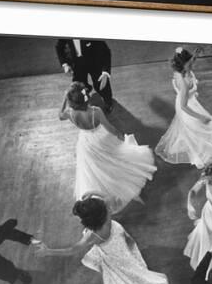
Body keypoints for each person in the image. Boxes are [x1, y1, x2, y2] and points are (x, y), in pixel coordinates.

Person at [35, 193, 170, 284]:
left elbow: (73, 250)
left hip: (112, 252)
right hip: (119, 238)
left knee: (128, 275)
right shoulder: (106, 211)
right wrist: (94, 192)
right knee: (132, 264)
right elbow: (108, 197)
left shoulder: (92, 236)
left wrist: (48, 251)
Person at [59, 82, 156, 214]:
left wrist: (65, 99)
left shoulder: (69, 113)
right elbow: (110, 128)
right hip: (100, 138)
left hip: (86, 142)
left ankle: (100, 191)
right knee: (114, 156)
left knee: (95, 166)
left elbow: (60, 115)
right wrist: (120, 135)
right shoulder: (96, 112)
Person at [155, 46, 212, 168]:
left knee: (200, 128)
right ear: (182, 65)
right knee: (198, 127)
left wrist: (195, 56)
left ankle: (200, 143)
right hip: (187, 108)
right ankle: (200, 151)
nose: (191, 64)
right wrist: (200, 117)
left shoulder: (182, 69)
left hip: (190, 102)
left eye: (191, 61)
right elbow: (184, 106)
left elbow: (190, 62)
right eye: (188, 63)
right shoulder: (184, 82)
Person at [56, 38, 114, 113]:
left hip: (94, 61)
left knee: (101, 85)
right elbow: (59, 46)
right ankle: (85, 99)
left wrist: (105, 73)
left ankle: (108, 102)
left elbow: (106, 51)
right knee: (79, 86)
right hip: (76, 63)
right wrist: (65, 64)